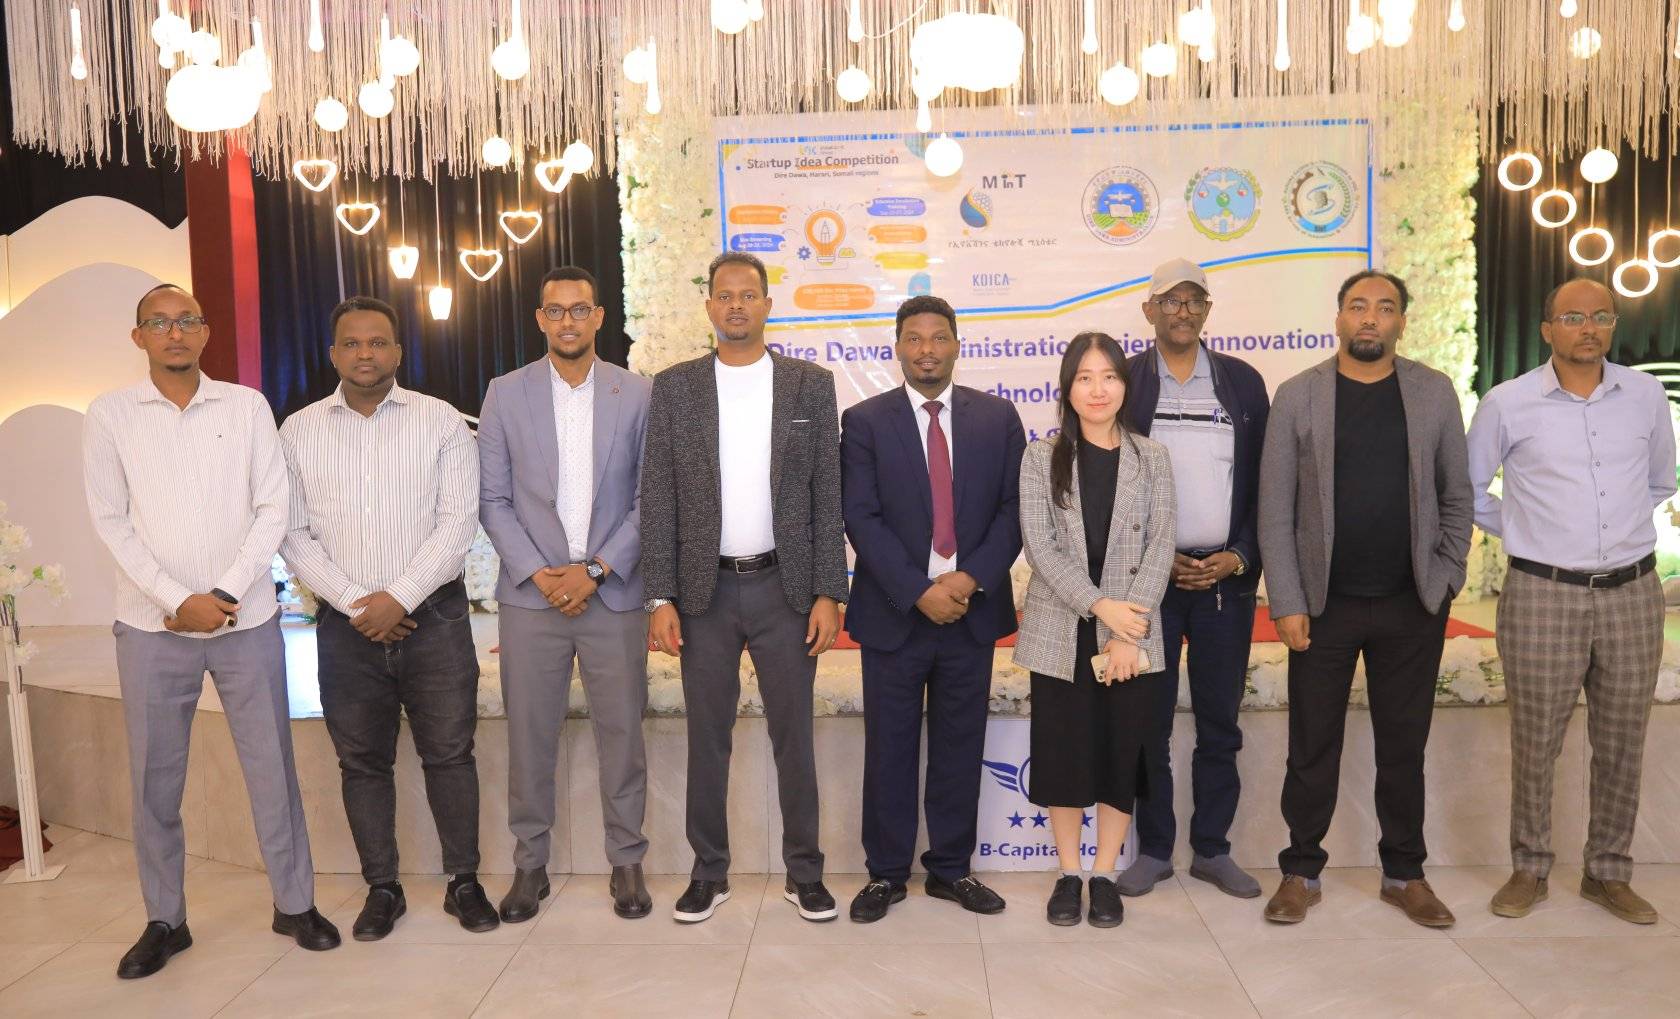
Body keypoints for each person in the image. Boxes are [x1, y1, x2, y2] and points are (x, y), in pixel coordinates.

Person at [83, 283, 339, 979]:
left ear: (205, 332)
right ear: (138, 336)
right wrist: (176, 599)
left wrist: (222, 595)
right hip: (151, 626)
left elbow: (272, 507)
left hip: (245, 620)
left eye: (187, 320)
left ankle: (295, 903)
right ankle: (165, 919)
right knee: (153, 780)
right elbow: (111, 520)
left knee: (272, 767)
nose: (175, 333)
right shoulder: (110, 414)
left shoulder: (246, 406)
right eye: (159, 323)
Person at [1258, 270, 1472, 928]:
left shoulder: (1434, 392)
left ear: (1402, 321)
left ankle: (1405, 873)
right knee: (1311, 745)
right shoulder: (1299, 395)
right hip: (1323, 605)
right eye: (1358, 306)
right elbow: (1275, 509)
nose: (1370, 318)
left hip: (1412, 604)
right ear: (1339, 318)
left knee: (1404, 746)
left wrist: (1445, 578)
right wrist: (1286, 598)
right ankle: (1300, 870)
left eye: (1385, 307)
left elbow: (1457, 495)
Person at [642, 251, 848, 924]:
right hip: (704, 594)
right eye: (724, 295)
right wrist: (660, 597)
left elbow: (827, 494)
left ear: (766, 304)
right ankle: (709, 873)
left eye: (748, 295)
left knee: (795, 738)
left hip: (786, 589)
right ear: (709, 306)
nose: (736, 305)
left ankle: (805, 873)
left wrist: (829, 591)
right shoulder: (675, 388)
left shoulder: (809, 386)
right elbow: (658, 498)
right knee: (708, 739)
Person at [279, 296, 490, 940]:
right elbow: (292, 533)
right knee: (362, 763)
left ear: (398, 351)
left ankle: (464, 882)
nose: (365, 353)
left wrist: (398, 597)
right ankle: (383, 889)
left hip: (434, 619)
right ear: (333, 354)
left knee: (450, 754)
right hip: (346, 628)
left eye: (377, 342)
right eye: (352, 343)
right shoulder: (298, 431)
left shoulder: (441, 421)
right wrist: (357, 603)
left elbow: (458, 524)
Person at [1469, 278, 1675, 925]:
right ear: (1547, 329)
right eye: (1573, 317)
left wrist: (1611, 535)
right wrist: (1529, 530)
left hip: (1633, 593)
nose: (1588, 328)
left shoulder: (1645, 395)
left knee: (1622, 741)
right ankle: (1529, 867)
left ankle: (1607, 872)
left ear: (1612, 326)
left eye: (1601, 317)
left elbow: (1660, 481)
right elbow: (1467, 491)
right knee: (1536, 742)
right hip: (1542, 594)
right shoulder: (1507, 403)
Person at [840, 294, 1025, 923]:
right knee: (888, 749)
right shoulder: (864, 421)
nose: (927, 350)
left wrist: (967, 580)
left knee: (959, 746)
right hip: (895, 614)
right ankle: (885, 874)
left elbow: (1014, 511)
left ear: (956, 344)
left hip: (970, 614)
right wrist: (920, 590)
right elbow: (860, 516)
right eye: (914, 338)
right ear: (897, 347)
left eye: (939, 337)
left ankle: (951, 869)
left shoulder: (997, 418)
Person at [478, 267, 654, 922]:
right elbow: (492, 501)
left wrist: (597, 570)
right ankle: (530, 866)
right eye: (556, 311)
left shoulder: (638, 394)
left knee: (622, 734)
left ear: (600, 316)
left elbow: (649, 499)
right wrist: (539, 572)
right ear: (540, 319)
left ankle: (627, 861)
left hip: (613, 595)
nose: (569, 321)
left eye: (580, 309)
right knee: (529, 738)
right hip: (533, 598)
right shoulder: (505, 393)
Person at [1013, 331, 1176, 929]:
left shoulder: (1151, 457)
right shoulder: (1042, 457)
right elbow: (1040, 547)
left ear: (1124, 386)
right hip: (1064, 629)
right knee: (1064, 757)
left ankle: (1103, 874)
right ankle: (1068, 873)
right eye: (1084, 377)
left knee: (1118, 756)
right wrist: (1101, 606)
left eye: (1108, 376)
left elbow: (1161, 545)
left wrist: (1128, 630)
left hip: (1132, 633)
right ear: (1068, 388)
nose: (1097, 389)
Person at [1119, 258, 1270, 900]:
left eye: (1193, 300)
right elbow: (1109, 485)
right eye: (1170, 300)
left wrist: (1240, 556)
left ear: (1207, 310)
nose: (1182, 311)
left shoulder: (1241, 383)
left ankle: (1211, 849)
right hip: (1146, 586)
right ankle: (1155, 850)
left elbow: (1267, 484)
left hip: (1224, 584)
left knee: (1219, 724)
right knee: (1145, 724)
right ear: (1148, 310)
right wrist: (1151, 557)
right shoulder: (1124, 381)